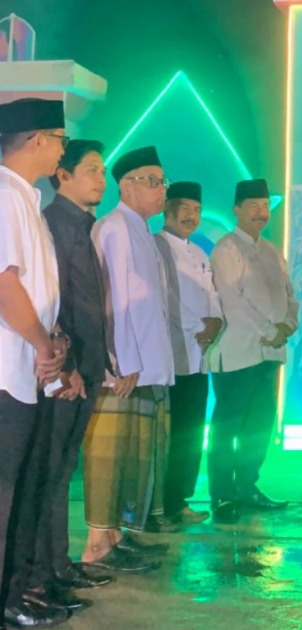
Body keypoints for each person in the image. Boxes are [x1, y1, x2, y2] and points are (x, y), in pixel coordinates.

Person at [21, 141, 117, 615]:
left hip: (88, 365)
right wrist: (69, 367)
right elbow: (53, 304)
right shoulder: (53, 224)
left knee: (62, 470)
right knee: (48, 473)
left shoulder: (82, 225)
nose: (101, 179)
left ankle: (57, 566)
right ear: (64, 175)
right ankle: (40, 575)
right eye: (91, 170)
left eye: (102, 171)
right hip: (66, 370)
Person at [81, 146, 174, 572]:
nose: (160, 190)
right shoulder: (115, 227)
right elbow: (112, 298)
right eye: (152, 181)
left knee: (133, 456)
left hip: (143, 365)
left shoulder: (141, 230)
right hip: (122, 369)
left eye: (162, 182)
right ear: (126, 185)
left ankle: (116, 535)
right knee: (110, 455)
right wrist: (121, 360)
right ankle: (97, 544)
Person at [0, 97, 69, 628]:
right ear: (38, 139)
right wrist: (44, 345)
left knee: (23, 491)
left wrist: (55, 340)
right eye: (60, 140)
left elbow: (40, 291)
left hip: (31, 370)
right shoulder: (4, 196)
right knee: (5, 495)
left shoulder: (27, 198)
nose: (63, 151)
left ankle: (17, 592)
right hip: (7, 372)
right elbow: (5, 286)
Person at [207, 179, 296, 524]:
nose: (261, 212)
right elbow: (233, 300)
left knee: (259, 425)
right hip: (238, 352)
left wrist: (288, 325)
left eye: (265, 206)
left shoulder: (271, 250)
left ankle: (246, 486)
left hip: (268, 354)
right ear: (237, 210)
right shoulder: (227, 249)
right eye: (253, 206)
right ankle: (222, 495)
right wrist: (270, 331)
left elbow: (289, 294)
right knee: (228, 426)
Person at [155, 182, 222, 525]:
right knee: (171, 432)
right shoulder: (157, 246)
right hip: (172, 354)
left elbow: (213, 294)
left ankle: (179, 499)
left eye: (197, 210)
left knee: (193, 430)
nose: (192, 216)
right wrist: (200, 326)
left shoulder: (199, 252)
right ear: (168, 209)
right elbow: (165, 296)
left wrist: (216, 322)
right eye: (185, 208)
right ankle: (159, 503)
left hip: (200, 355)